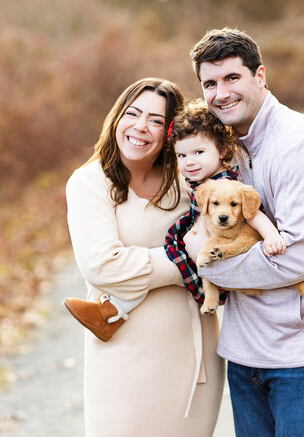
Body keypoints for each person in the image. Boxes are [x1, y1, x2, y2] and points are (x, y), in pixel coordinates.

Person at [184, 28, 304, 437]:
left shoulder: (299, 144)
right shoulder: (230, 146)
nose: (221, 93)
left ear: (260, 76)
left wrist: (206, 263)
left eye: (232, 78)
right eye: (210, 83)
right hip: (247, 350)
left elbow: (298, 256)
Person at [65, 79, 225, 437]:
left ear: (170, 131)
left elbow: (224, 237)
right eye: (133, 113)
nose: (141, 127)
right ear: (117, 117)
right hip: (122, 359)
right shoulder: (90, 182)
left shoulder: (188, 180)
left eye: (155, 120)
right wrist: (187, 261)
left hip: (196, 360)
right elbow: (103, 265)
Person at [65, 99, 286, 338]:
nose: (190, 162)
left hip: (218, 245)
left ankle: (110, 310)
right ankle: (111, 311)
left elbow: (253, 215)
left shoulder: (225, 183)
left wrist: (271, 235)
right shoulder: (193, 178)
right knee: (170, 251)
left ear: (222, 150)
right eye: (182, 155)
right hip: (201, 244)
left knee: (171, 251)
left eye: (198, 152)